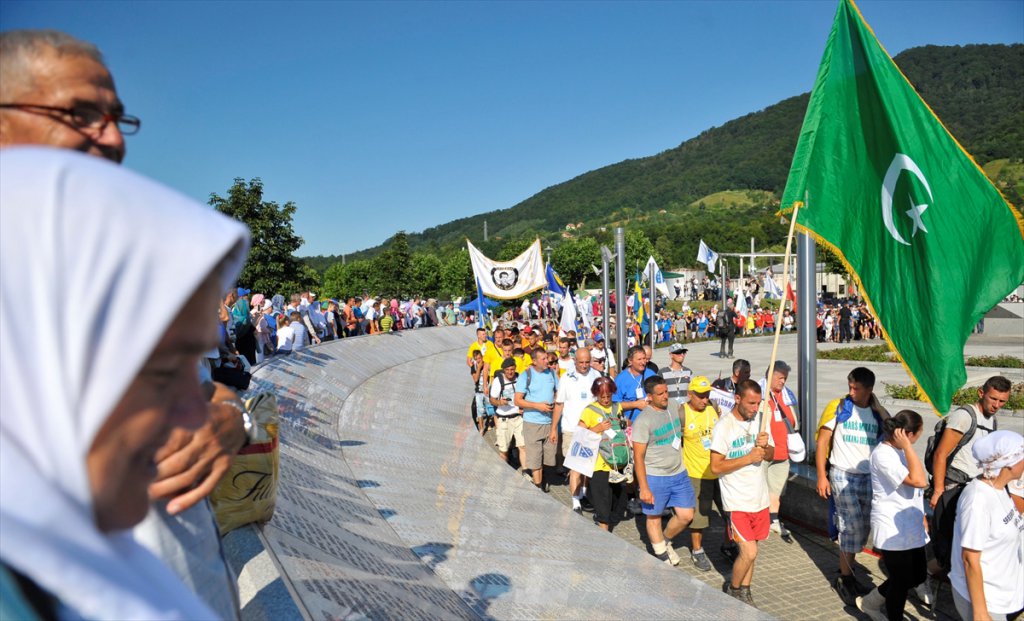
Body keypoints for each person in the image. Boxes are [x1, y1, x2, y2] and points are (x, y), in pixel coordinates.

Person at [0, 30, 248, 619]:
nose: (111, 139)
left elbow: (203, 393)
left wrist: (229, 418)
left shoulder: (109, 268)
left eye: (117, 118)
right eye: (80, 114)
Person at [815, 367, 890, 605]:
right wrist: (821, 475)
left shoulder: (877, 413)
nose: (851, 392)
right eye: (850, 387)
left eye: (856, 388)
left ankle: (849, 570)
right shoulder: (838, 407)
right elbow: (822, 441)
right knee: (850, 526)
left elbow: (894, 431)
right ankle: (845, 577)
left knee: (863, 528)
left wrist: (880, 409)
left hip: (869, 477)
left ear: (869, 389)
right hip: (842, 474)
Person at [929, 376, 1009, 575]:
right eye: (993, 399)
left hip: (972, 488)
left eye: (1002, 401)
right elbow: (940, 454)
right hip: (953, 486)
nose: (997, 405)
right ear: (981, 393)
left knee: (961, 543)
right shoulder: (964, 416)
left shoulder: (991, 420)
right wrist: (938, 490)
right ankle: (924, 576)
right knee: (948, 544)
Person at [857, 410, 929, 621]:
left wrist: (922, 515)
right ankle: (888, 614)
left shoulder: (902, 451)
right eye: (918, 433)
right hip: (892, 526)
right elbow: (919, 481)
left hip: (911, 522)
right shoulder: (883, 455)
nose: (918, 439)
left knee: (918, 575)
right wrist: (907, 446)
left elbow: (916, 490)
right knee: (900, 580)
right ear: (908, 434)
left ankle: (871, 601)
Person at [948, 431, 1024, 621]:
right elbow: (969, 559)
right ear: (1009, 462)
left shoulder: (999, 489)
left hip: (1002, 591)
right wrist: (981, 612)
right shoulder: (978, 500)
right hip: (987, 600)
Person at [710, 380, 773, 607]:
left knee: (753, 552)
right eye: (751, 403)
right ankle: (733, 589)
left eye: (758, 403)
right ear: (737, 399)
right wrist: (748, 457)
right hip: (736, 501)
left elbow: (772, 454)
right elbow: (715, 466)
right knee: (749, 551)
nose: (756, 408)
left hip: (759, 498)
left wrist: (766, 448)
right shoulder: (724, 427)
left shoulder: (760, 420)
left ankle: (745, 590)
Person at [633, 376, 695, 566]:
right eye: (660, 394)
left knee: (686, 515)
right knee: (654, 517)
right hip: (655, 476)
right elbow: (638, 457)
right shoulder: (643, 420)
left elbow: (693, 407)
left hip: (679, 472)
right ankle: (661, 557)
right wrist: (644, 487)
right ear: (649, 396)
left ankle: (665, 540)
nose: (665, 396)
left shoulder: (673, 405)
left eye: (666, 391)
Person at [680, 376, 725, 572]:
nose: (704, 399)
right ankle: (697, 550)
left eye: (707, 395)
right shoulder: (682, 413)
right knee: (699, 517)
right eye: (700, 396)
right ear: (690, 394)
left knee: (729, 512)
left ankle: (728, 545)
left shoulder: (713, 407)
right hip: (696, 474)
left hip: (719, 470)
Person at [578, 377, 631, 531]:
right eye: (602, 397)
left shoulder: (617, 407)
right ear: (596, 395)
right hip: (599, 463)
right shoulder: (589, 410)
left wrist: (625, 424)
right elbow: (580, 435)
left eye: (609, 396)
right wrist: (598, 428)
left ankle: (603, 520)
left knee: (618, 501)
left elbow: (623, 427)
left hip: (617, 462)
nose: (606, 400)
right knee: (603, 502)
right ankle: (604, 531)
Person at [551, 348, 600, 513]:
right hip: (571, 428)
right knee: (575, 467)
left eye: (587, 362)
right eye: (581, 362)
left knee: (587, 466)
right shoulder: (566, 378)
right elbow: (559, 404)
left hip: (592, 428)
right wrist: (553, 429)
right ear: (575, 361)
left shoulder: (596, 375)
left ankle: (584, 493)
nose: (584, 365)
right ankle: (575, 501)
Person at [759, 360, 799, 542]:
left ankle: (773, 520)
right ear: (770, 376)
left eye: (785, 378)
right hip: (764, 451)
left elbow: (794, 420)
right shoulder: (759, 393)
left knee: (776, 489)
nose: (783, 381)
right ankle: (759, 521)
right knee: (760, 487)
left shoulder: (787, 395)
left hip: (782, 452)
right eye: (780, 378)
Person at [514, 345, 559, 492]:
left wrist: (555, 400)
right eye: (543, 359)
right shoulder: (526, 375)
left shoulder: (552, 373)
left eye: (547, 358)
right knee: (534, 458)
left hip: (550, 422)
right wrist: (537, 406)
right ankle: (538, 486)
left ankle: (541, 479)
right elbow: (517, 400)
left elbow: (559, 392)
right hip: (532, 422)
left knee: (548, 457)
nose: (547, 361)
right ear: (534, 361)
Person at [490, 358, 526, 469]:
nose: (510, 372)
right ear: (503, 370)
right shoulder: (498, 381)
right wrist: (500, 402)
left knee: (523, 446)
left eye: (512, 369)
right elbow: (492, 399)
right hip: (504, 419)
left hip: (519, 417)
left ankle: (526, 472)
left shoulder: (519, 378)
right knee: (504, 450)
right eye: (507, 370)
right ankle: (504, 471)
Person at [613, 346, 656, 425]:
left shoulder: (651, 374)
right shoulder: (620, 379)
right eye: (639, 359)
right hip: (631, 425)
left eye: (644, 358)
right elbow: (614, 404)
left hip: (651, 422)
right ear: (630, 361)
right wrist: (636, 404)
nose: (643, 362)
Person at [661, 343, 692, 407]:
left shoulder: (689, 372)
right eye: (678, 352)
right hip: (669, 408)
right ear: (671, 355)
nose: (682, 355)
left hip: (686, 408)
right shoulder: (662, 373)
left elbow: (692, 392)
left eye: (684, 352)